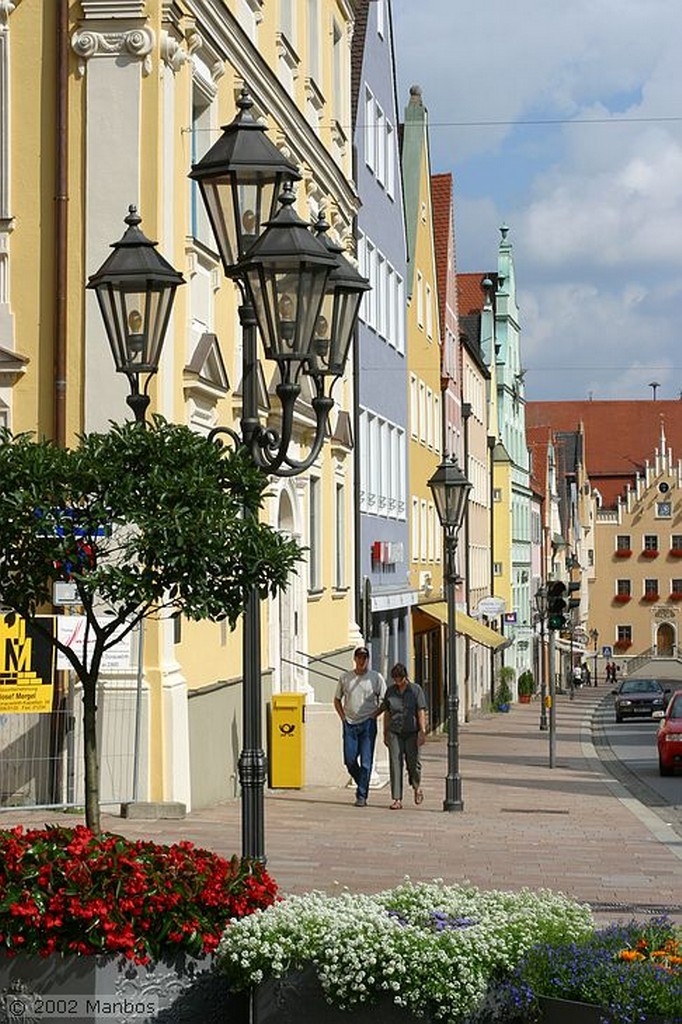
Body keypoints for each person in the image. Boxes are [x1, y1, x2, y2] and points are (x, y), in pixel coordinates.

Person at [334, 646, 386, 807]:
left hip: (367, 724)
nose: (362, 661)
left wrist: (375, 715)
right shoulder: (345, 678)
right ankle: (361, 783)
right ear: (355, 659)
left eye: (364, 658)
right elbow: (337, 699)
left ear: (368, 660)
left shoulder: (375, 678)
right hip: (349, 723)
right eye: (359, 657)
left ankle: (361, 794)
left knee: (366, 762)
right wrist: (343, 717)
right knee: (349, 760)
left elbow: (384, 700)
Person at [382, 663, 427, 810]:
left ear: (405, 677)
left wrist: (422, 731)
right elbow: (387, 712)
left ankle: (416, 787)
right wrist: (385, 732)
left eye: (399, 679)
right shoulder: (390, 691)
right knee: (395, 763)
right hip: (394, 732)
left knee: (413, 763)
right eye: (394, 679)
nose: (397, 682)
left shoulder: (415, 690)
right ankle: (397, 799)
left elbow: (420, 711)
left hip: (412, 732)